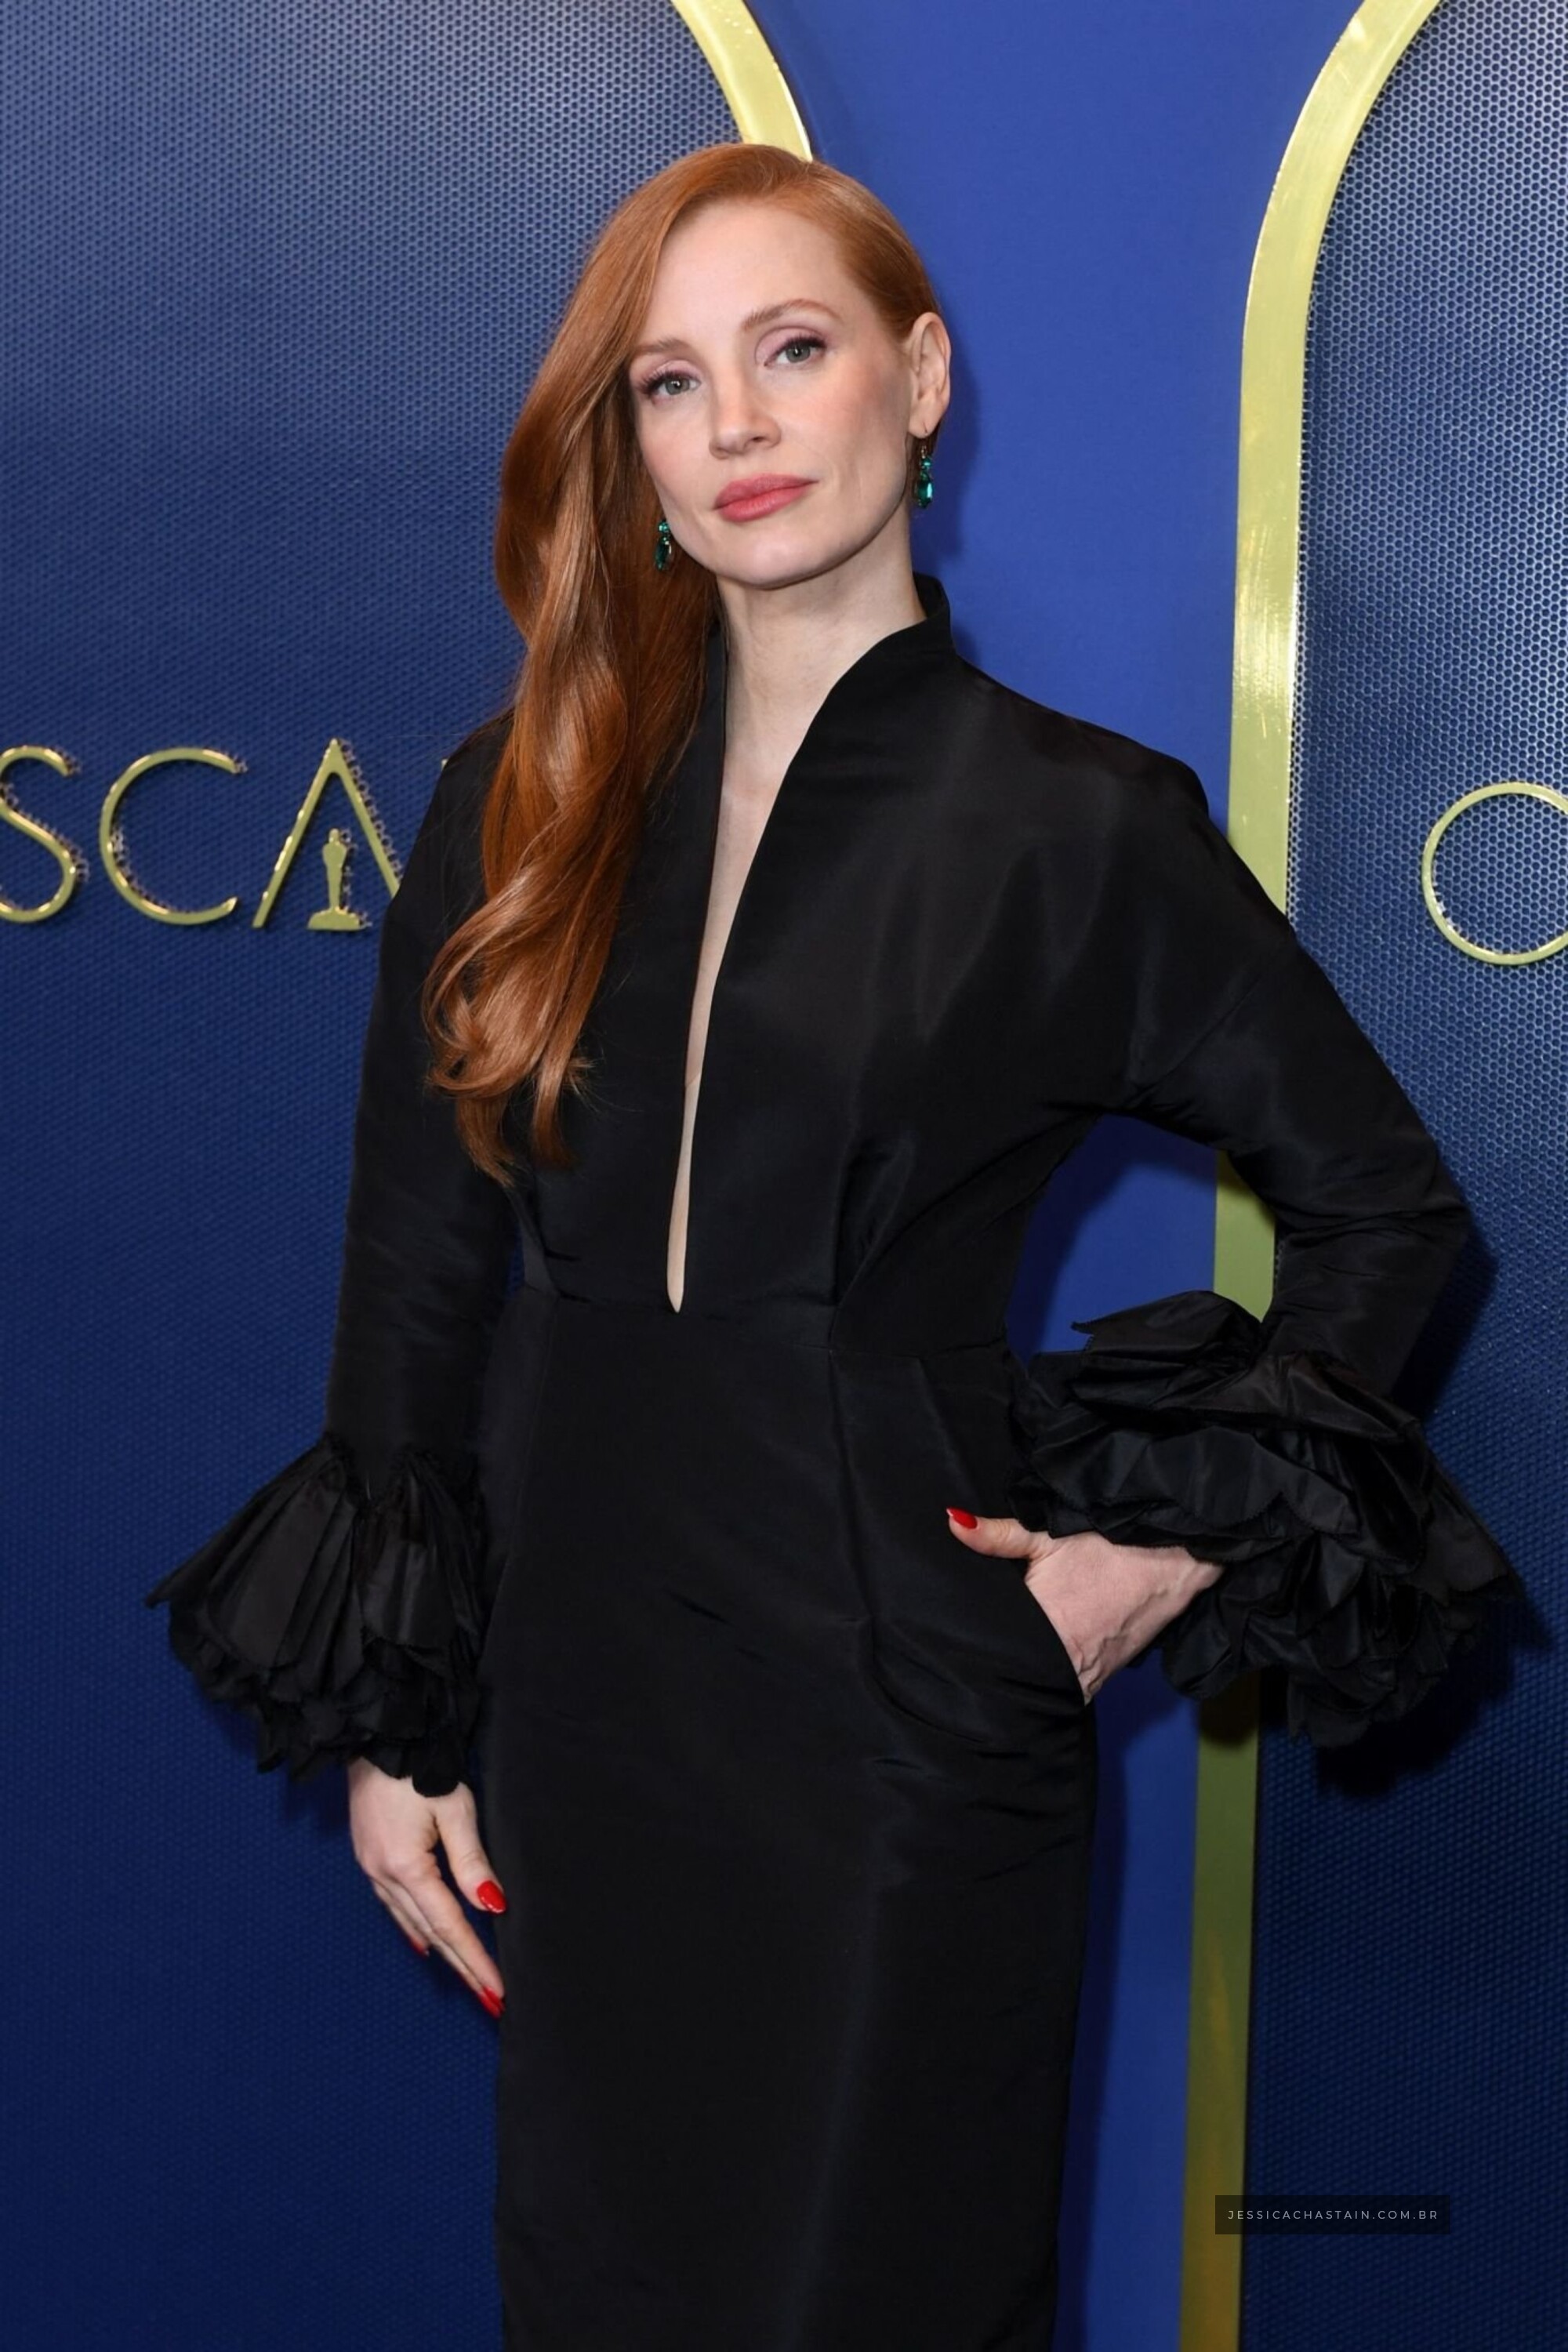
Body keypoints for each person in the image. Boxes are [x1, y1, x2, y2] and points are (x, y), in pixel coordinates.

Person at [145, 143, 1520, 2349]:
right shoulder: (520, 795)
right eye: (674, 383)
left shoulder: (1077, 826)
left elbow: (1388, 1207)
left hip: (906, 1710)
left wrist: (1144, 1560)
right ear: (634, 444)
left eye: (792, 351)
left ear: (921, 375)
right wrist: (398, 1718)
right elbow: (416, 1276)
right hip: (583, 1701)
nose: (741, 427)